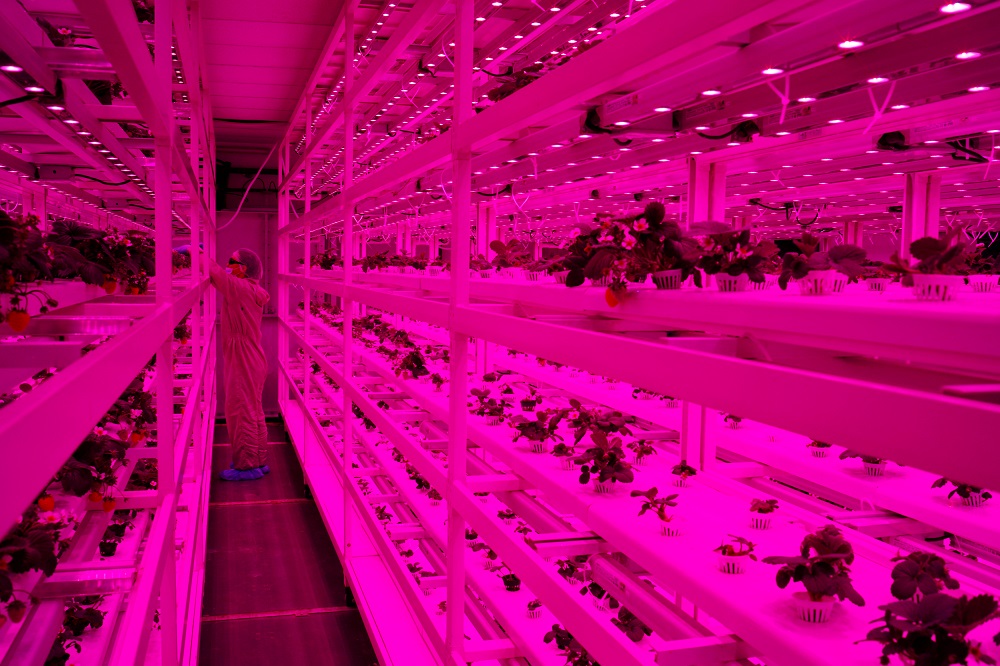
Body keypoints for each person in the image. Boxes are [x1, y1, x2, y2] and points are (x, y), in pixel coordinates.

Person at [207, 248, 270, 481]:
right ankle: (259, 459)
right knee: (253, 409)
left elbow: (216, 273)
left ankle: (247, 465)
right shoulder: (246, 289)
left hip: (243, 358)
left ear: (243, 268)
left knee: (240, 410)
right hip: (252, 356)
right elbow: (219, 279)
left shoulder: (241, 288)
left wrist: (193, 251)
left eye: (232, 262)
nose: (228, 265)